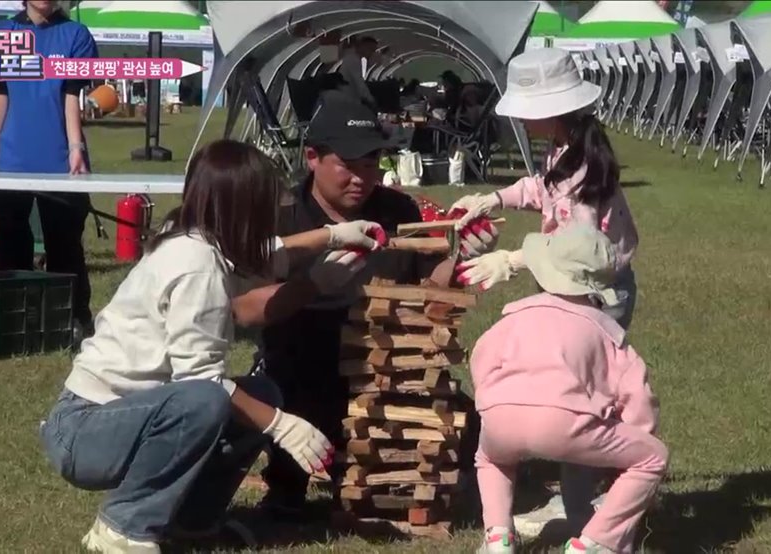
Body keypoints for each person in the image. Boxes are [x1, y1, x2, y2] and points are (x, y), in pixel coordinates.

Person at [38, 139, 393, 553]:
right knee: (208, 401)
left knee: (259, 393)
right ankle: (122, 526)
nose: (274, 217)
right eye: (267, 208)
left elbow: (269, 253)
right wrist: (281, 424)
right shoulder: (197, 268)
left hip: (121, 417)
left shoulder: (192, 238)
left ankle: (192, 523)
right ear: (244, 209)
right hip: (87, 431)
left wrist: (333, 236)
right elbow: (201, 381)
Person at [246, 90, 499, 517]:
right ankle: (288, 486)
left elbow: (428, 288)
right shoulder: (283, 215)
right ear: (312, 157)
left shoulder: (397, 208)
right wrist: (312, 283)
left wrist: (462, 257)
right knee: (300, 420)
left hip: (384, 362)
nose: (362, 178)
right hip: (303, 360)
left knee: (465, 420)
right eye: (348, 164)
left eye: (371, 163)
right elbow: (249, 305)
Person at [449, 47, 640, 536]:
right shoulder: (566, 147)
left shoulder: (582, 166)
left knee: (581, 398)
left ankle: (580, 516)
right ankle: (578, 502)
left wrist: (512, 260)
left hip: (596, 292)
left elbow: (575, 245)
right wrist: (493, 197)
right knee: (573, 391)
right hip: (573, 286)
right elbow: (539, 190)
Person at [470, 223, 667, 554]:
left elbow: (481, 358)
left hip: (501, 415)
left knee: (490, 459)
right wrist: (636, 434)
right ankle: (596, 542)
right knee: (652, 457)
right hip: (568, 423)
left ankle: (498, 538)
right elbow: (638, 394)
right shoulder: (606, 332)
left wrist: (491, 401)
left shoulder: (512, 318)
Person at [0, 0, 99, 339]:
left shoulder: (75, 34)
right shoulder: (1, 32)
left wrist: (75, 149)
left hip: (60, 158)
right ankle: (11, 321)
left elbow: (71, 95)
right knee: (11, 241)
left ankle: (73, 320)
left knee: (65, 244)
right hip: (11, 158)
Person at [338, 35, 379, 108]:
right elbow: (359, 82)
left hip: (348, 98)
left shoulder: (352, 58)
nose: (371, 53)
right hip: (348, 99)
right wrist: (370, 100)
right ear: (362, 46)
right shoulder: (353, 60)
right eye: (370, 49)